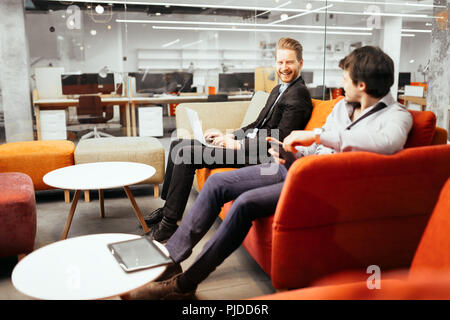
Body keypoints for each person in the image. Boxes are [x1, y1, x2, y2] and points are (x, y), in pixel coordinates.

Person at [122, 45, 414, 300]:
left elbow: (386, 145)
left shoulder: (397, 116)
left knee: (246, 203)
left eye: (345, 79)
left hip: (317, 186)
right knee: (218, 183)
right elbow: (317, 143)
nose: (341, 83)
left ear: (361, 84)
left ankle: (183, 285)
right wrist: (293, 150)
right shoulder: (342, 108)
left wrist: (316, 138)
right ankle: (171, 257)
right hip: (289, 167)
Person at [145, 38, 313, 242]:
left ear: (300, 63)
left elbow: (279, 140)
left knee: (186, 153)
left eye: (289, 62)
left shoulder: (299, 95)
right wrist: (229, 135)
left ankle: (169, 224)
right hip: (248, 145)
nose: (284, 68)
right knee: (178, 143)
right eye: (280, 62)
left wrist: (238, 144)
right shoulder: (278, 90)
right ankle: (166, 209)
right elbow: (256, 124)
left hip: (262, 156)